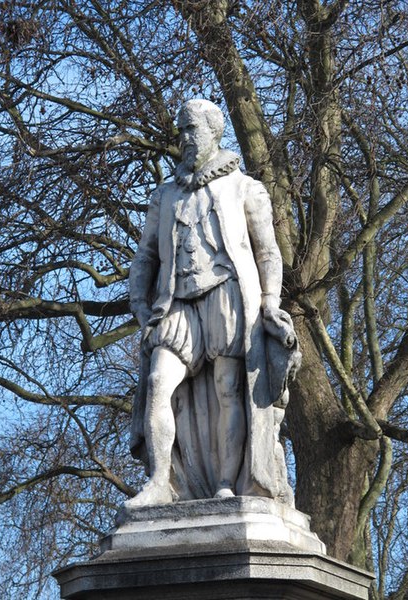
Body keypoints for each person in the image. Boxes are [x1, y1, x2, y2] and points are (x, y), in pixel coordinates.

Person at [128, 99, 300, 507]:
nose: (184, 138)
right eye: (181, 130)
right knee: (157, 383)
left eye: (191, 129)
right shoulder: (166, 195)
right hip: (177, 304)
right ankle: (158, 481)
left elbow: (268, 254)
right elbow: (146, 258)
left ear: (213, 131)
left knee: (228, 391)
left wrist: (270, 303)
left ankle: (227, 482)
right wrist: (140, 308)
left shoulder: (244, 188)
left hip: (228, 296)